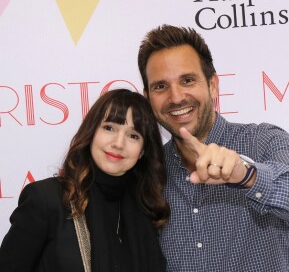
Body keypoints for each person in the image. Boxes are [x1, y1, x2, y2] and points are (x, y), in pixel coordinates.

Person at [137, 24, 289, 271]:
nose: (177, 97)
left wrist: (246, 175)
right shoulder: (150, 171)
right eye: (161, 87)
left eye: (188, 80)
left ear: (213, 85)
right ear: (148, 97)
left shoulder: (263, 140)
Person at [0, 89, 170, 272]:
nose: (119, 143)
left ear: (142, 151)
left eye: (133, 136)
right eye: (109, 128)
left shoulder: (147, 208)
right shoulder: (46, 199)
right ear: (91, 132)